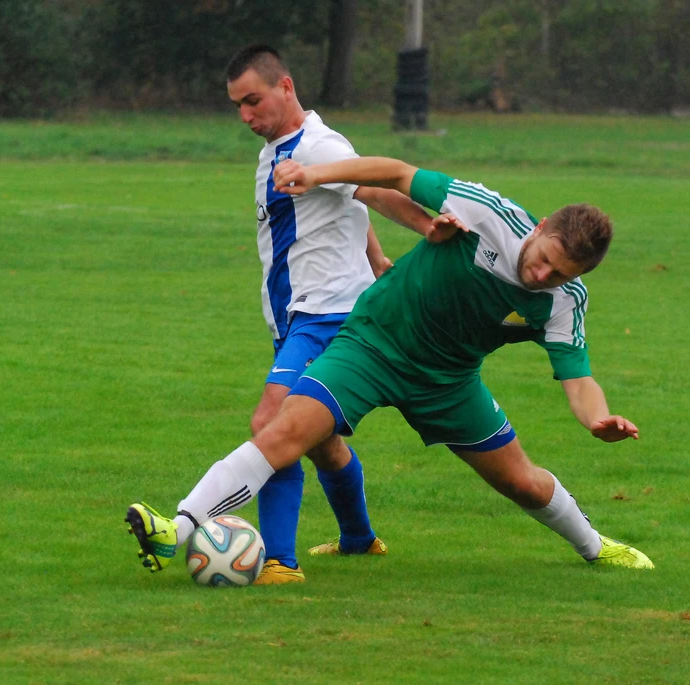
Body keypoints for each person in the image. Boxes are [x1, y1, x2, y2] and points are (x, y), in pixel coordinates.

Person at [126, 153, 655, 577]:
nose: (542, 276)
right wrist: (315, 174)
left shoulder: (564, 302)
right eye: (544, 259)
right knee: (284, 431)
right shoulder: (488, 211)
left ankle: (595, 546)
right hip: (373, 345)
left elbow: (578, 379)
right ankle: (177, 528)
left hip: (448, 382)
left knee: (523, 483)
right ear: (538, 228)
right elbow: (398, 173)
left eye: (560, 274)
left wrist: (597, 419)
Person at [125, 46, 463, 585]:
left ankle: (273, 559)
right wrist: (376, 257)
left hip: (325, 314)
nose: (245, 115)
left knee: (272, 423)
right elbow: (346, 201)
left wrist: (426, 227)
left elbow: (372, 188)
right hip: (293, 318)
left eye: (253, 101)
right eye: (237, 105)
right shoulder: (276, 150)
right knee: (319, 442)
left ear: (285, 87)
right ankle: (359, 539)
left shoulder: (318, 144)